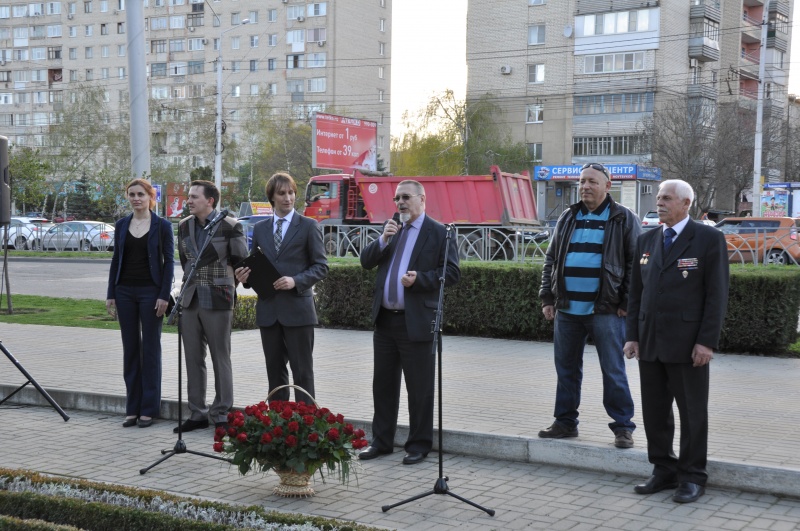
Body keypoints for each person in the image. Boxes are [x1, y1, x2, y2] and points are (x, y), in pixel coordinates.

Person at [624, 179, 729, 504]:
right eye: (658, 197)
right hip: (651, 342)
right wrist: (632, 336)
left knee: (692, 413)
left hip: (688, 346)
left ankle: (692, 476)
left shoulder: (709, 239)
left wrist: (706, 342)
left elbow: (716, 295)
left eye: (667, 198)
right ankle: (663, 469)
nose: (660, 202)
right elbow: (636, 294)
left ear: (686, 203)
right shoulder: (648, 239)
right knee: (655, 412)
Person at [538, 162, 641, 448]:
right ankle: (565, 422)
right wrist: (548, 297)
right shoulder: (568, 217)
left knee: (613, 369)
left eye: (592, 182)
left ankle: (623, 426)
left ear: (608, 186)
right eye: (582, 181)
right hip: (567, 310)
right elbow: (551, 260)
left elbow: (636, 264)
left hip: (606, 310)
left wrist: (626, 302)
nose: (585, 186)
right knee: (566, 370)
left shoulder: (624, 218)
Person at [357, 180, 460, 465]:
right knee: (383, 386)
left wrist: (420, 279)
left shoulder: (438, 233)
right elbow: (366, 262)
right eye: (396, 199)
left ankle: (418, 444)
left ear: (422, 199)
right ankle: (382, 441)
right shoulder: (392, 229)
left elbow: (451, 272)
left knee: (420, 388)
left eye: (405, 197)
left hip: (417, 321)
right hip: (385, 322)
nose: (400, 203)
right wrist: (382, 240)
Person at [234, 172, 328, 405]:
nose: (288, 198)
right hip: (269, 311)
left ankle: (306, 428)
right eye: (282, 193)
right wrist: (245, 277)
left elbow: (321, 267)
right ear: (272, 198)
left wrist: (295, 280)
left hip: (298, 310)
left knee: (302, 373)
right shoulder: (261, 229)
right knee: (274, 374)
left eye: (291, 192)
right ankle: (278, 426)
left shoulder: (308, 226)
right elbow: (256, 264)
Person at [174, 180, 248, 433]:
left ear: (210, 201)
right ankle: (197, 412)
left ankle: (222, 412)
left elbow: (241, 264)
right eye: (189, 196)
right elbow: (186, 261)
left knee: (220, 357)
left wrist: (226, 287)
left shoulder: (230, 225)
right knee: (193, 358)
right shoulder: (184, 226)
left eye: (195, 197)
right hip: (190, 298)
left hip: (218, 298)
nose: (189, 200)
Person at [106, 179, 174, 428]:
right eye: (132, 194)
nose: (136, 198)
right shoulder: (122, 225)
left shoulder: (163, 226)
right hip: (124, 292)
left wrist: (164, 295)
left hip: (151, 292)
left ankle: (149, 408)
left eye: (141, 194)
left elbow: (169, 264)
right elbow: (116, 259)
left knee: (151, 349)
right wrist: (111, 292)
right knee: (130, 348)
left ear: (150, 197)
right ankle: (132, 407)